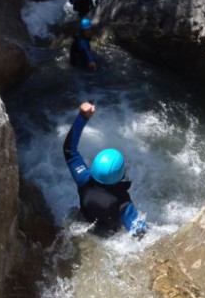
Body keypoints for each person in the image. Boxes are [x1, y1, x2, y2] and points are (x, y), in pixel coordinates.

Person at [63, 102, 149, 238]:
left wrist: (82, 117)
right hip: (110, 238)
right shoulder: (123, 202)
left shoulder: (83, 180)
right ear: (120, 174)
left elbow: (69, 150)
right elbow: (140, 233)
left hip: (83, 225)